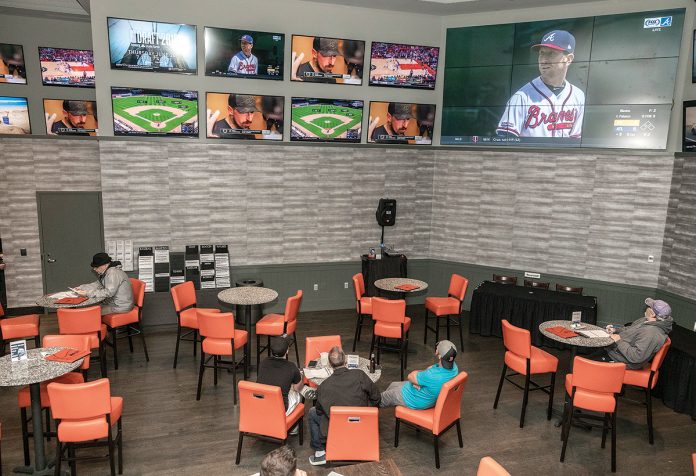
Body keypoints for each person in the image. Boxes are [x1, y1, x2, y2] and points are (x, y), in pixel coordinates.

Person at [497, 30, 585, 140]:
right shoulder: (521, 97)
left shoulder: (578, 96)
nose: (543, 60)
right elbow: (505, 141)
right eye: (541, 53)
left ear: (568, 59)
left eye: (551, 53)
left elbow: (575, 140)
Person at [308, 346, 380, 466]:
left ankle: (320, 453)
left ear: (330, 365)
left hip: (336, 429)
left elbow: (319, 411)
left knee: (312, 412)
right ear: (345, 360)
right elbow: (377, 397)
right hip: (361, 425)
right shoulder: (360, 375)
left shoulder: (323, 387)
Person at [380, 340, 459, 409]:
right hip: (428, 398)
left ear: (439, 355)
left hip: (413, 399)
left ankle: (370, 413)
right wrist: (420, 382)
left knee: (382, 397)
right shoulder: (454, 368)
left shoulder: (432, 375)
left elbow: (410, 376)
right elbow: (431, 370)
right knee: (393, 385)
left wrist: (417, 380)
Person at [599, 298, 673, 370]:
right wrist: (615, 330)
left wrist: (619, 341)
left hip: (622, 361)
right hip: (616, 351)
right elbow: (630, 329)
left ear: (652, 313)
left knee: (588, 362)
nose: (646, 308)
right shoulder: (647, 320)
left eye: (648, 307)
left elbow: (636, 357)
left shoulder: (651, 333)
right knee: (591, 351)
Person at [257, 336, 304, 417]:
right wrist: (301, 377)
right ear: (287, 351)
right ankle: (294, 427)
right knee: (297, 393)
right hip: (280, 410)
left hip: (261, 404)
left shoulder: (263, 362)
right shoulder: (291, 367)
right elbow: (298, 388)